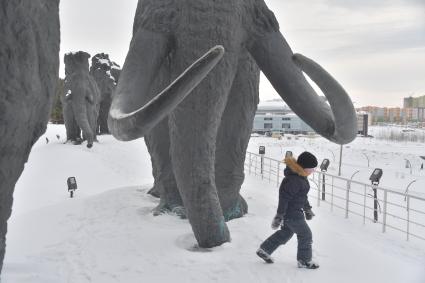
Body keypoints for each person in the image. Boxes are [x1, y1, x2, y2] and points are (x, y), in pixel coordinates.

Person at [256, 151, 319, 269]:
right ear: (304, 167)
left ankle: (264, 250)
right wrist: (279, 215)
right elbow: (284, 198)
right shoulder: (295, 180)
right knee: (305, 235)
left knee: (285, 233)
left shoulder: (300, 177)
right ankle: (304, 261)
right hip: (293, 214)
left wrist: (307, 210)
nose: (313, 171)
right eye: (312, 169)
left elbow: (302, 197)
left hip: (293, 213)